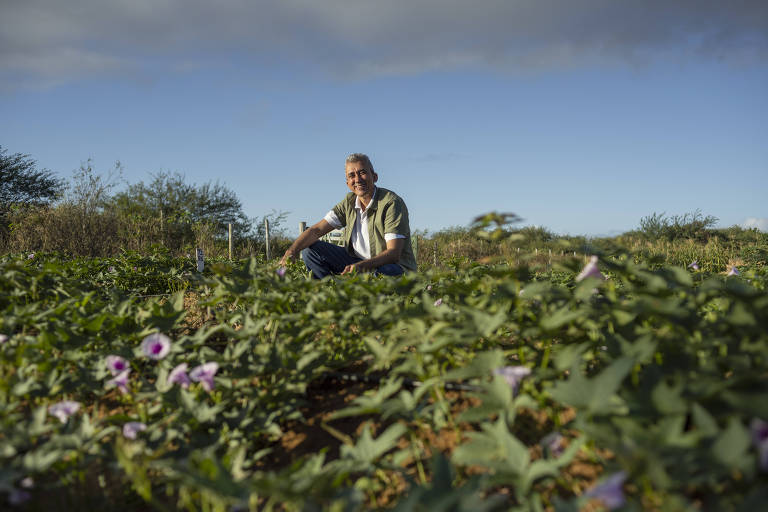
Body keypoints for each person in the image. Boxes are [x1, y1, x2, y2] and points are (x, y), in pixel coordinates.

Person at [279, 153, 417, 278]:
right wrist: (291, 251)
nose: (357, 179)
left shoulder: (390, 203)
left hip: (389, 266)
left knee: (388, 272)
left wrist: (362, 267)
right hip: (356, 263)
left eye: (362, 173)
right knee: (310, 249)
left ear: (374, 177)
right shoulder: (349, 202)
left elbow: (393, 253)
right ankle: (327, 295)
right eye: (352, 175)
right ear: (347, 183)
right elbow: (316, 230)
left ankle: (368, 297)